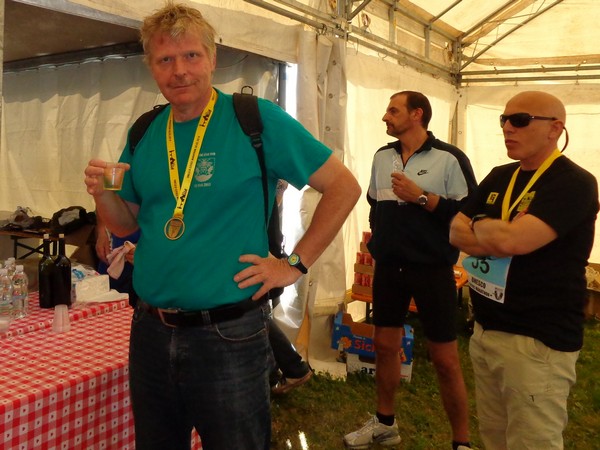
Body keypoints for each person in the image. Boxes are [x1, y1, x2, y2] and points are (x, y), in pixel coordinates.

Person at [83, 2, 361, 450]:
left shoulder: (254, 119)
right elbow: (127, 221)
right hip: (151, 328)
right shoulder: (146, 130)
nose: (179, 70)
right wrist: (103, 196)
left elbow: (343, 187)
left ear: (213, 58)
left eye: (191, 55)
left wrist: (293, 264)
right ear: (151, 67)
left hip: (229, 333)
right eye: (165, 59)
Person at [449, 91, 599, 449]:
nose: (507, 128)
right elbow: (455, 231)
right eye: (504, 119)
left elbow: (515, 242)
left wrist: (481, 225)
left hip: (536, 339)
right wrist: (497, 232)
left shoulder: (574, 182)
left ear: (555, 129)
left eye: (520, 120)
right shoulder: (500, 175)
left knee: (532, 442)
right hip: (487, 329)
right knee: (494, 437)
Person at [343, 91, 477, 450]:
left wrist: (421, 197)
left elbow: (469, 214)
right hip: (389, 268)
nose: (385, 117)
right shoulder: (382, 156)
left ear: (417, 114)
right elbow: (376, 204)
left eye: (393, 110)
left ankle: (462, 442)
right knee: (384, 346)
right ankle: (385, 425)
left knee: (445, 359)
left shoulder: (450, 158)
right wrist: (381, 241)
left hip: (432, 269)